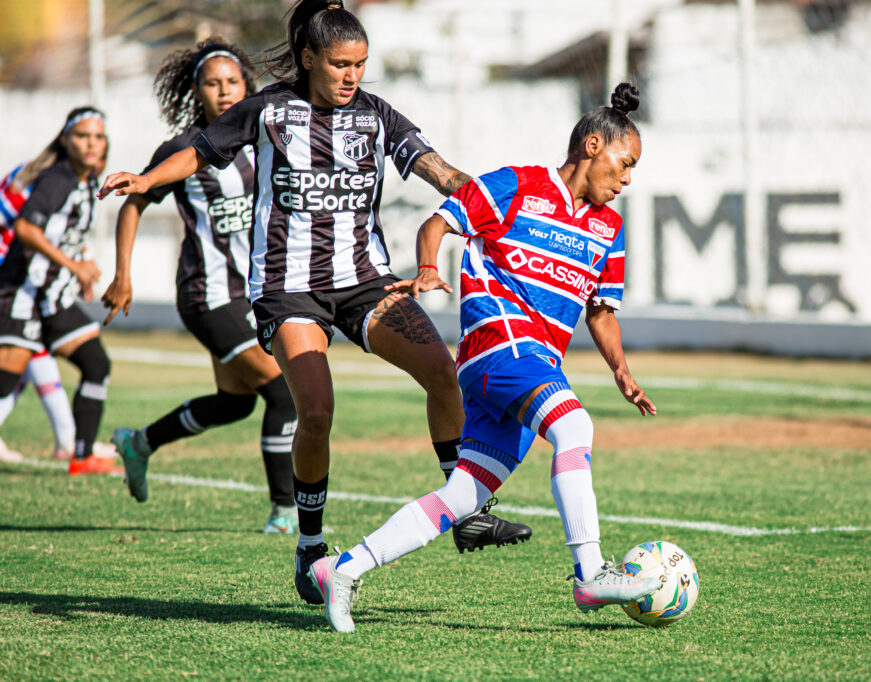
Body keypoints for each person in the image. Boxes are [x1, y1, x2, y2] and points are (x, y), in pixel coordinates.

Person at [98, 0, 531, 603]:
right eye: (339, 64)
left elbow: (440, 172)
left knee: (443, 373)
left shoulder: (376, 115)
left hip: (367, 282)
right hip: (287, 288)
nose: (352, 76)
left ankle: (469, 512)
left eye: (360, 64)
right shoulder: (269, 109)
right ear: (308, 58)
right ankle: (308, 545)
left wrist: (506, 206)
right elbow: (198, 150)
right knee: (318, 411)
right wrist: (146, 182)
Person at [304, 83, 661, 633]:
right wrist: (426, 267)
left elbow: (601, 312)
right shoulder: (517, 185)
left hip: (532, 365)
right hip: (500, 348)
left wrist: (621, 370)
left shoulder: (609, 229)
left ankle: (344, 568)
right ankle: (590, 572)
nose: (627, 179)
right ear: (593, 145)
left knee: (462, 495)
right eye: (625, 163)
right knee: (575, 427)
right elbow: (437, 222)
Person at [101, 38, 301, 534]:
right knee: (285, 396)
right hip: (206, 296)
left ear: (247, 85)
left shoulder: (261, 142)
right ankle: (284, 512)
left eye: (232, 81)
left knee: (235, 402)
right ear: (197, 90)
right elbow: (135, 203)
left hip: (251, 294)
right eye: (212, 83)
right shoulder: (181, 150)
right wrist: (122, 275)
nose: (224, 91)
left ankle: (139, 442)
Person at [0, 106, 119, 475]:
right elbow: (26, 230)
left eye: (98, 137)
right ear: (66, 140)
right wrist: (75, 267)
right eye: (83, 136)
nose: (91, 144)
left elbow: (62, 234)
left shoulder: (85, 182)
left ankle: (81, 456)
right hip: (23, 294)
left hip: (52, 299)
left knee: (96, 363)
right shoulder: (59, 178)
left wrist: (80, 266)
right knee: (6, 380)